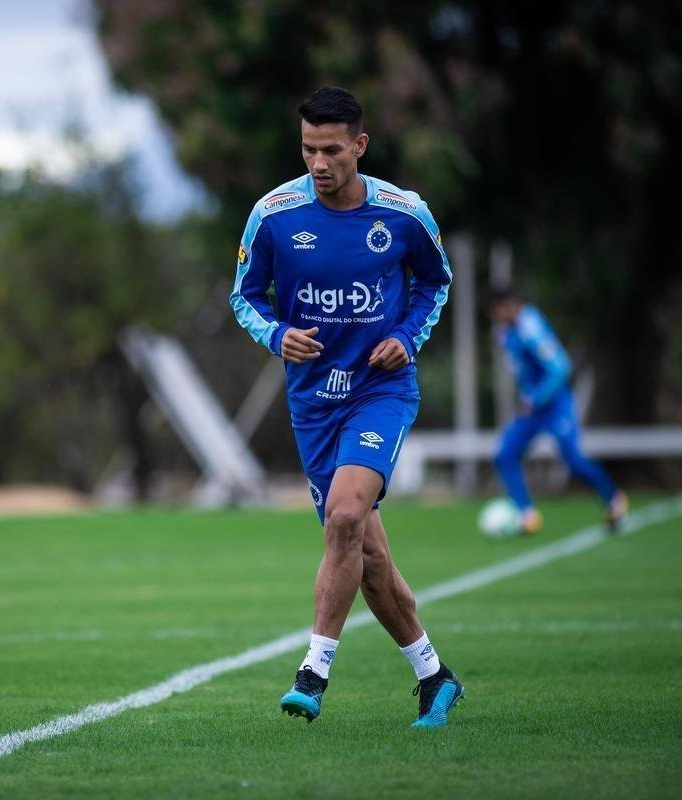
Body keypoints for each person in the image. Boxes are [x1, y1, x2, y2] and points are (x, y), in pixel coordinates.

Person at [229, 87, 462, 727]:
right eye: (308, 149)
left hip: (378, 391)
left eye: (331, 149)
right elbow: (244, 297)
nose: (318, 162)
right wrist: (277, 335)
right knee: (370, 559)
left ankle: (312, 673)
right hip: (312, 404)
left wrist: (406, 338)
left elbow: (435, 283)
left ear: (359, 145)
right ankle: (434, 677)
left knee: (344, 515)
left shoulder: (404, 213)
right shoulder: (273, 216)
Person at [488, 289, 628, 534]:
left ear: (511, 305)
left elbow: (561, 367)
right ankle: (526, 514)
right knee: (505, 453)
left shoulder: (530, 327)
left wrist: (537, 396)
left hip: (555, 404)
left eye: (498, 309)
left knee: (573, 460)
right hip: (533, 408)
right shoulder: (504, 333)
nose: (495, 315)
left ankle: (614, 499)